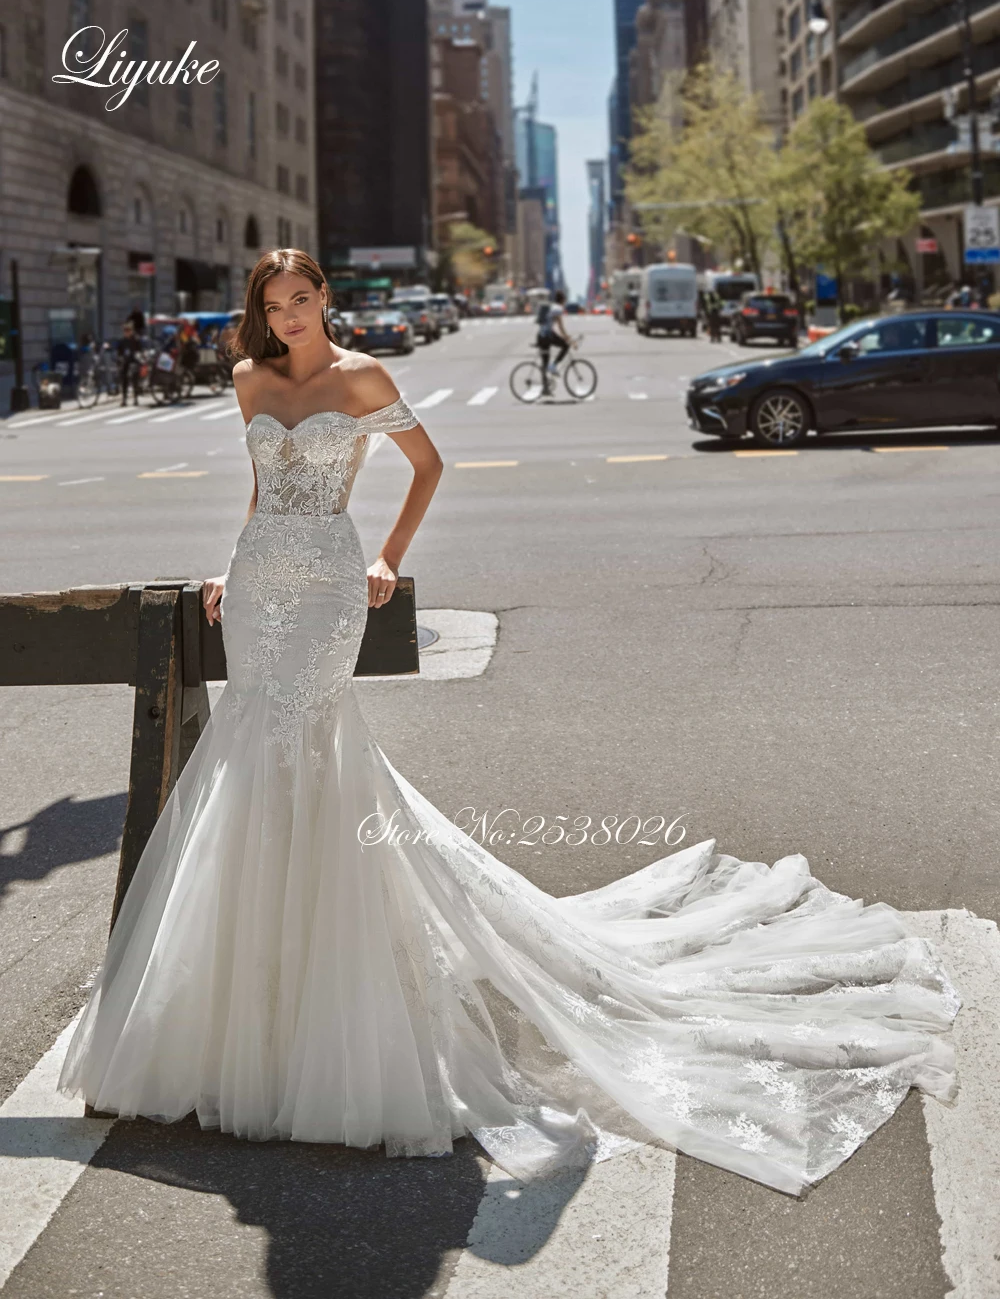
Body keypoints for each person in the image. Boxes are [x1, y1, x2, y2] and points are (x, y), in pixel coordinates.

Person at [57, 246, 960, 1199]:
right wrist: (229, 562)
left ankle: (333, 1008)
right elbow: (258, 489)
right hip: (257, 582)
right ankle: (244, 1018)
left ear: (326, 299)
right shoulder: (247, 378)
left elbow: (426, 464)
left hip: (328, 580)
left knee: (308, 750)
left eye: (301, 300)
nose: (288, 317)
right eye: (274, 306)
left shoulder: (364, 376)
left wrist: (388, 561)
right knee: (248, 758)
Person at [536, 288, 571, 390]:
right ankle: (554, 365)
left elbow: (551, 326)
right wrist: (567, 337)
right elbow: (560, 326)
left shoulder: (552, 306)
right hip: (546, 336)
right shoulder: (558, 309)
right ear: (563, 300)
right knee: (565, 346)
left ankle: (545, 388)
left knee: (545, 363)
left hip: (541, 336)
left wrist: (564, 336)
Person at [117, 321, 142, 406]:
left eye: (128, 330)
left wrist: (138, 357)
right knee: (124, 381)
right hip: (125, 362)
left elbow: (140, 350)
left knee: (135, 380)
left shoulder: (135, 339)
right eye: (125, 330)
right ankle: (124, 399)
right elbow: (119, 352)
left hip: (134, 361)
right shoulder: (122, 341)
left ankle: (136, 398)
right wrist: (119, 359)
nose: (126, 332)